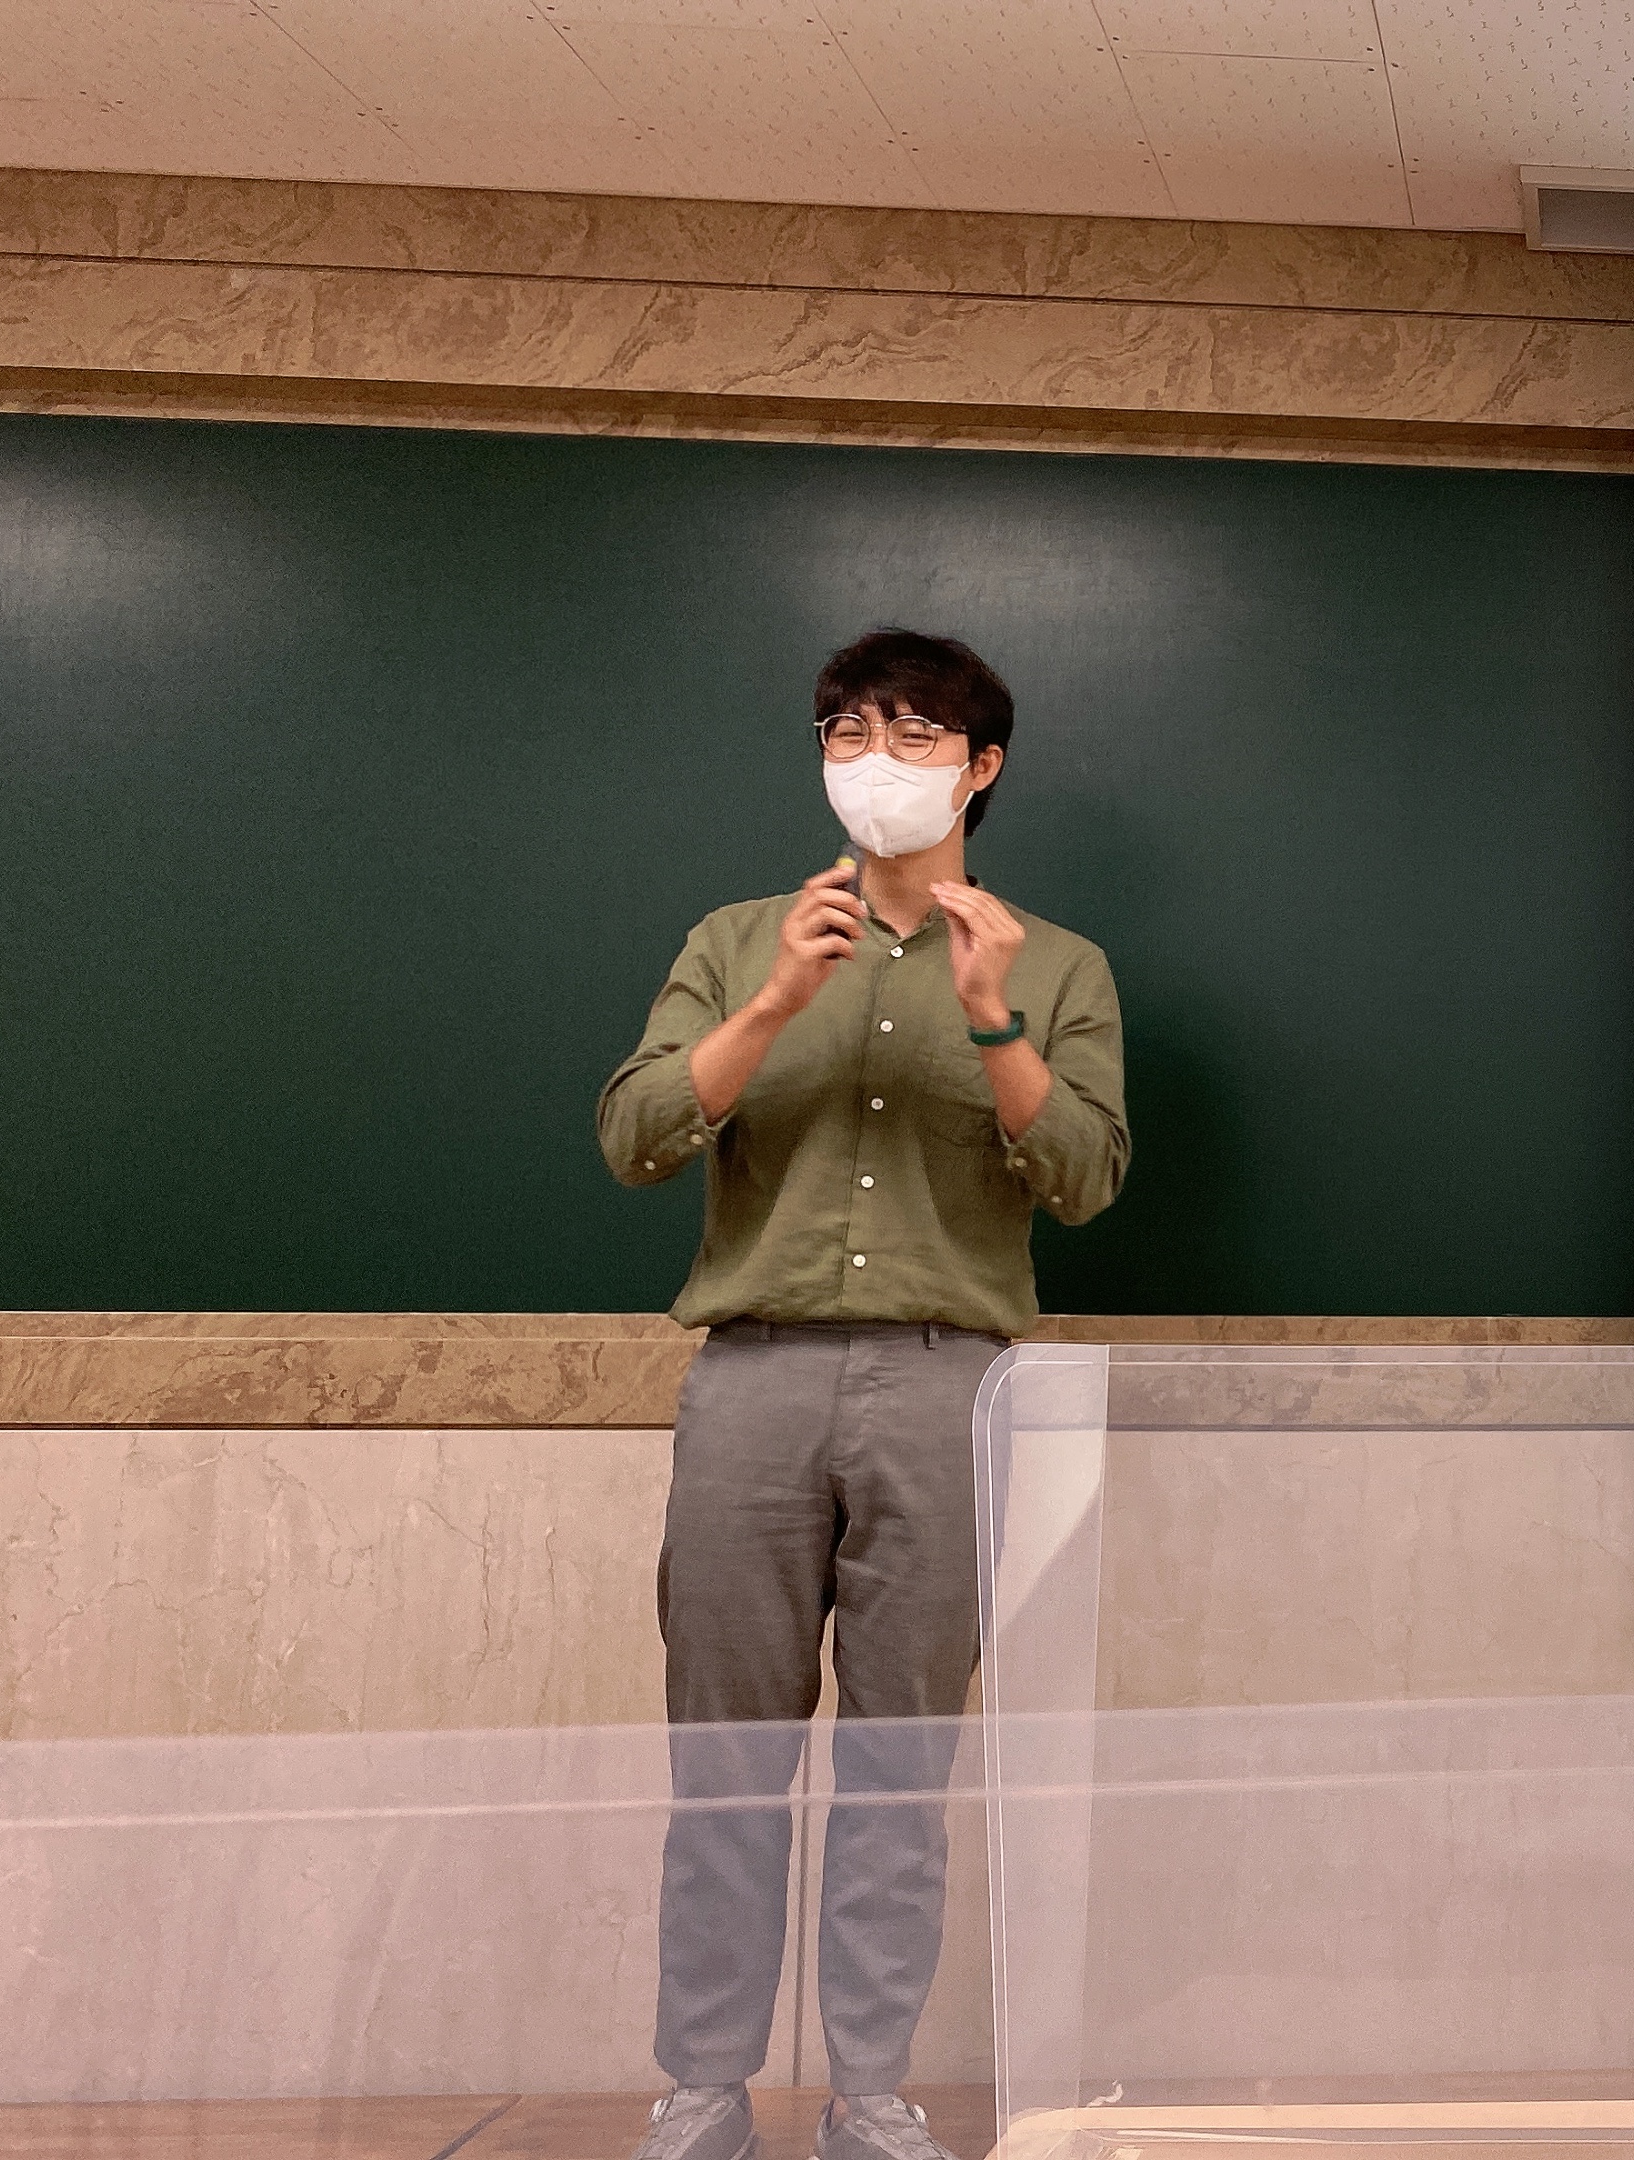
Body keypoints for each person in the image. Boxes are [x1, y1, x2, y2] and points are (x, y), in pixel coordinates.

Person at [597, 628, 1130, 2160]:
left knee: (903, 1766)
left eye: (911, 734)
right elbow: (634, 1136)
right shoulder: (736, 938)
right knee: (725, 1765)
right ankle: (703, 2091)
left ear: (981, 766)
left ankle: (872, 2094)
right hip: (752, 1379)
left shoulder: (1058, 964)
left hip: (949, 1382)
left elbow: (1087, 1178)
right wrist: (773, 1002)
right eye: (846, 731)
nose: (872, 760)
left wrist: (992, 1016)